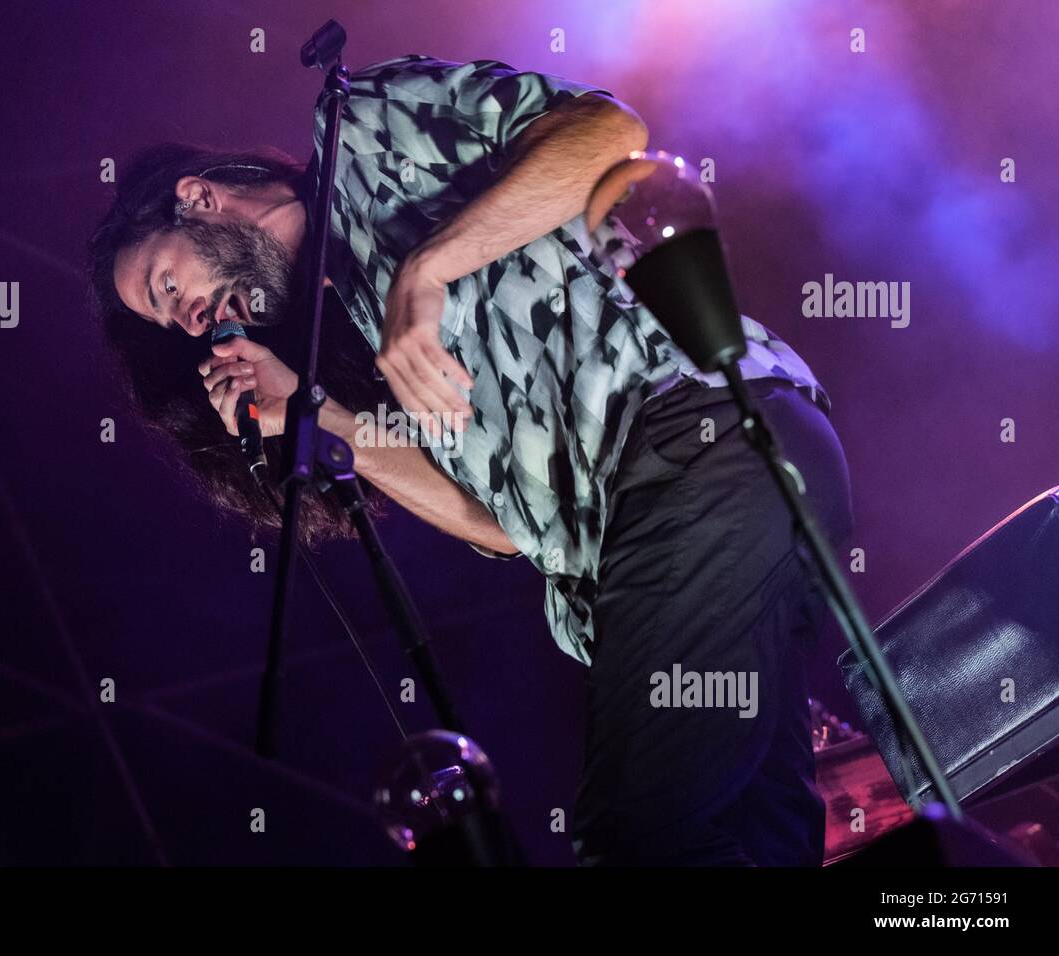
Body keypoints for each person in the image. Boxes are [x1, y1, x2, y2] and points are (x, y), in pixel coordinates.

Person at [87, 55, 853, 865]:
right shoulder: (343, 308)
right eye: (168, 320)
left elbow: (605, 134)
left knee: (638, 839)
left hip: (694, 442)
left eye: (166, 286)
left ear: (198, 199)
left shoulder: (361, 123)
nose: (187, 318)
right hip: (678, 529)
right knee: (751, 845)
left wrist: (428, 268)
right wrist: (318, 414)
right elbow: (504, 530)